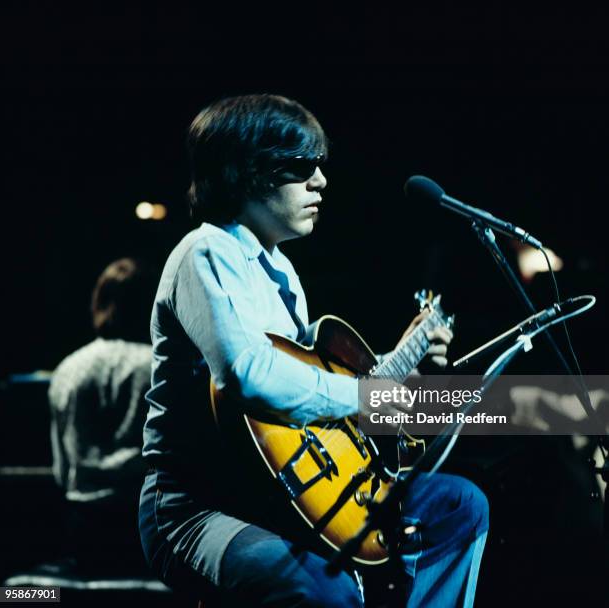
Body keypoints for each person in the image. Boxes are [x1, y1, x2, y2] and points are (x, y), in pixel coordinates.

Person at [138, 94, 489, 607]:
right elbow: (249, 374)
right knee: (323, 588)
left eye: (320, 167)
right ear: (246, 173)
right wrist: (366, 396)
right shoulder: (205, 251)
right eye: (301, 167)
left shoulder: (282, 273)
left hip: (273, 490)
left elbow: (318, 394)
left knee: (460, 505)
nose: (320, 181)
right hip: (196, 507)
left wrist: (408, 357)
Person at [49, 257, 156, 574]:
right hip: (141, 524)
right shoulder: (158, 365)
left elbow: (61, 471)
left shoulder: (68, 367)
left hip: (82, 524)